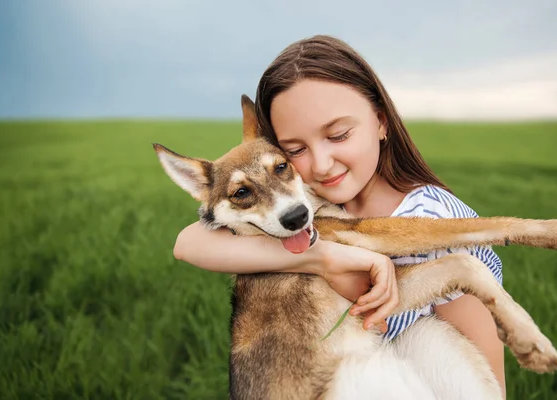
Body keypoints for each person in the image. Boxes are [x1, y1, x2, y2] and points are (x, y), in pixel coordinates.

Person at [173, 35, 506, 395]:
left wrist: (315, 258)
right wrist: (323, 257)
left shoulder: (436, 220)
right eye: (296, 149)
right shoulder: (313, 206)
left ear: (381, 122)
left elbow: (482, 384)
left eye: (339, 134)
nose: (321, 163)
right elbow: (188, 242)